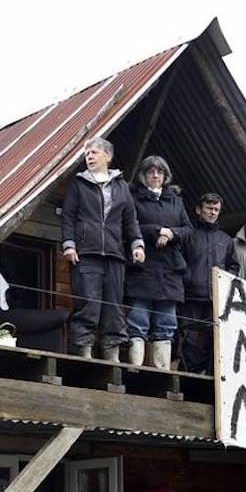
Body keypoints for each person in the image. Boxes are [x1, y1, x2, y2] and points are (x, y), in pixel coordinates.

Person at [60, 137, 145, 362]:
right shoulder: (79, 184)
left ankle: (111, 352)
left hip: (115, 254)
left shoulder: (122, 186)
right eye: (87, 153)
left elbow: (130, 219)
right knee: (87, 303)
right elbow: (68, 216)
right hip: (86, 253)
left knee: (114, 306)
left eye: (94, 152)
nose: (89, 156)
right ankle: (84, 350)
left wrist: (137, 244)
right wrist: (69, 244)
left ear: (108, 156)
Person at [124, 155, 192, 368]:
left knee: (166, 323)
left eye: (159, 171)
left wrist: (171, 233)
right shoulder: (133, 199)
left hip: (170, 269)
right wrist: (157, 231)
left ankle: (161, 370)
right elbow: (128, 225)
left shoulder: (176, 201)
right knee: (138, 320)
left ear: (165, 176)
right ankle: (135, 368)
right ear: (143, 175)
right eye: (151, 171)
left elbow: (188, 230)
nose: (155, 175)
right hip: (142, 268)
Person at [177, 193, 237, 373]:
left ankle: (207, 379)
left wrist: (224, 284)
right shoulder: (188, 235)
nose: (212, 213)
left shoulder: (226, 240)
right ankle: (188, 377)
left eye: (216, 210)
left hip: (215, 300)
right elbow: (178, 260)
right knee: (188, 339)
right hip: (191, 298)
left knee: (213, 341)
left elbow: (234, 267)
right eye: (209, 208)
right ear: (198, 210)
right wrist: (188, 277)